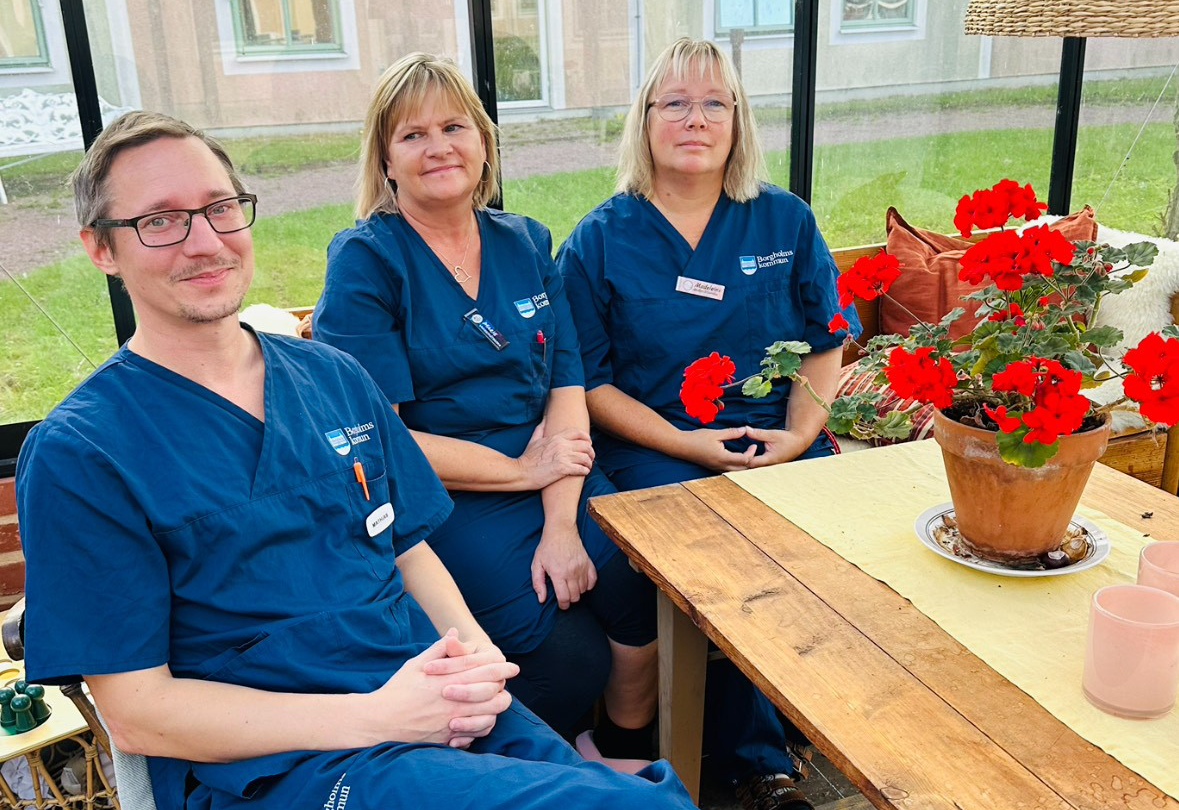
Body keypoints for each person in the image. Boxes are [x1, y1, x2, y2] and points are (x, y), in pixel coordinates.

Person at [15, 110, 696, 810]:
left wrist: (475, 653)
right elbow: (137, 710)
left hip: (427, 693)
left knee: (637, 792)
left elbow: (405, 547)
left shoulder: (332, 378)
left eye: (220, 208)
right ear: (101, 248)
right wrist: (379, 717)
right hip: (284, 765)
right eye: (160, 221)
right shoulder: (85, 452)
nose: (204, 241)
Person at [312, 53, 658, 762]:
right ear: (384, 159)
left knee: (638, 575)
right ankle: (528, 773)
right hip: (445, 493)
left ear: (483, 142)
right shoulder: (366, 262)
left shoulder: (525, 241)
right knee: (568, 656)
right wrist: (521, 474)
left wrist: (561, 521)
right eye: (412, 136)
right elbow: (382, 445)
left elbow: (565, 387)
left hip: (552, 468)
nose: (437, 147)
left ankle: (622, 744)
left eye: (453, 126)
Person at [557, 38, 861, 810]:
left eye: (713, 103)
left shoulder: (782, 219)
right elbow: (586, 382)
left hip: (777, 435)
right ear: (645, 120)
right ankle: (757, 767)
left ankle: (818, 725)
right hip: (656, 444)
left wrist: (796, 436)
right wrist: (690, 443)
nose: (695, 118)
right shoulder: (598, 240)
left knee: (836, 543)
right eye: (674, 102)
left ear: (737, 121)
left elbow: (827, 342)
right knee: (713, 554)